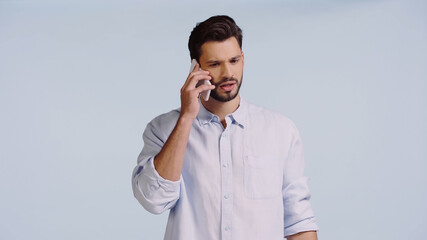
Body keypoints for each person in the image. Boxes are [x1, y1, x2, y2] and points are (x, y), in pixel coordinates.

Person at [132, 15, 319, 240]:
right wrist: (186, 117)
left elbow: (298, 221)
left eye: (234, 60)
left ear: (243, 59)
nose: (228, 73)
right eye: (214, 64)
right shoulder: (162, 129)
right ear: (195, 67)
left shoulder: (280, 130)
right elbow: (154, 200)